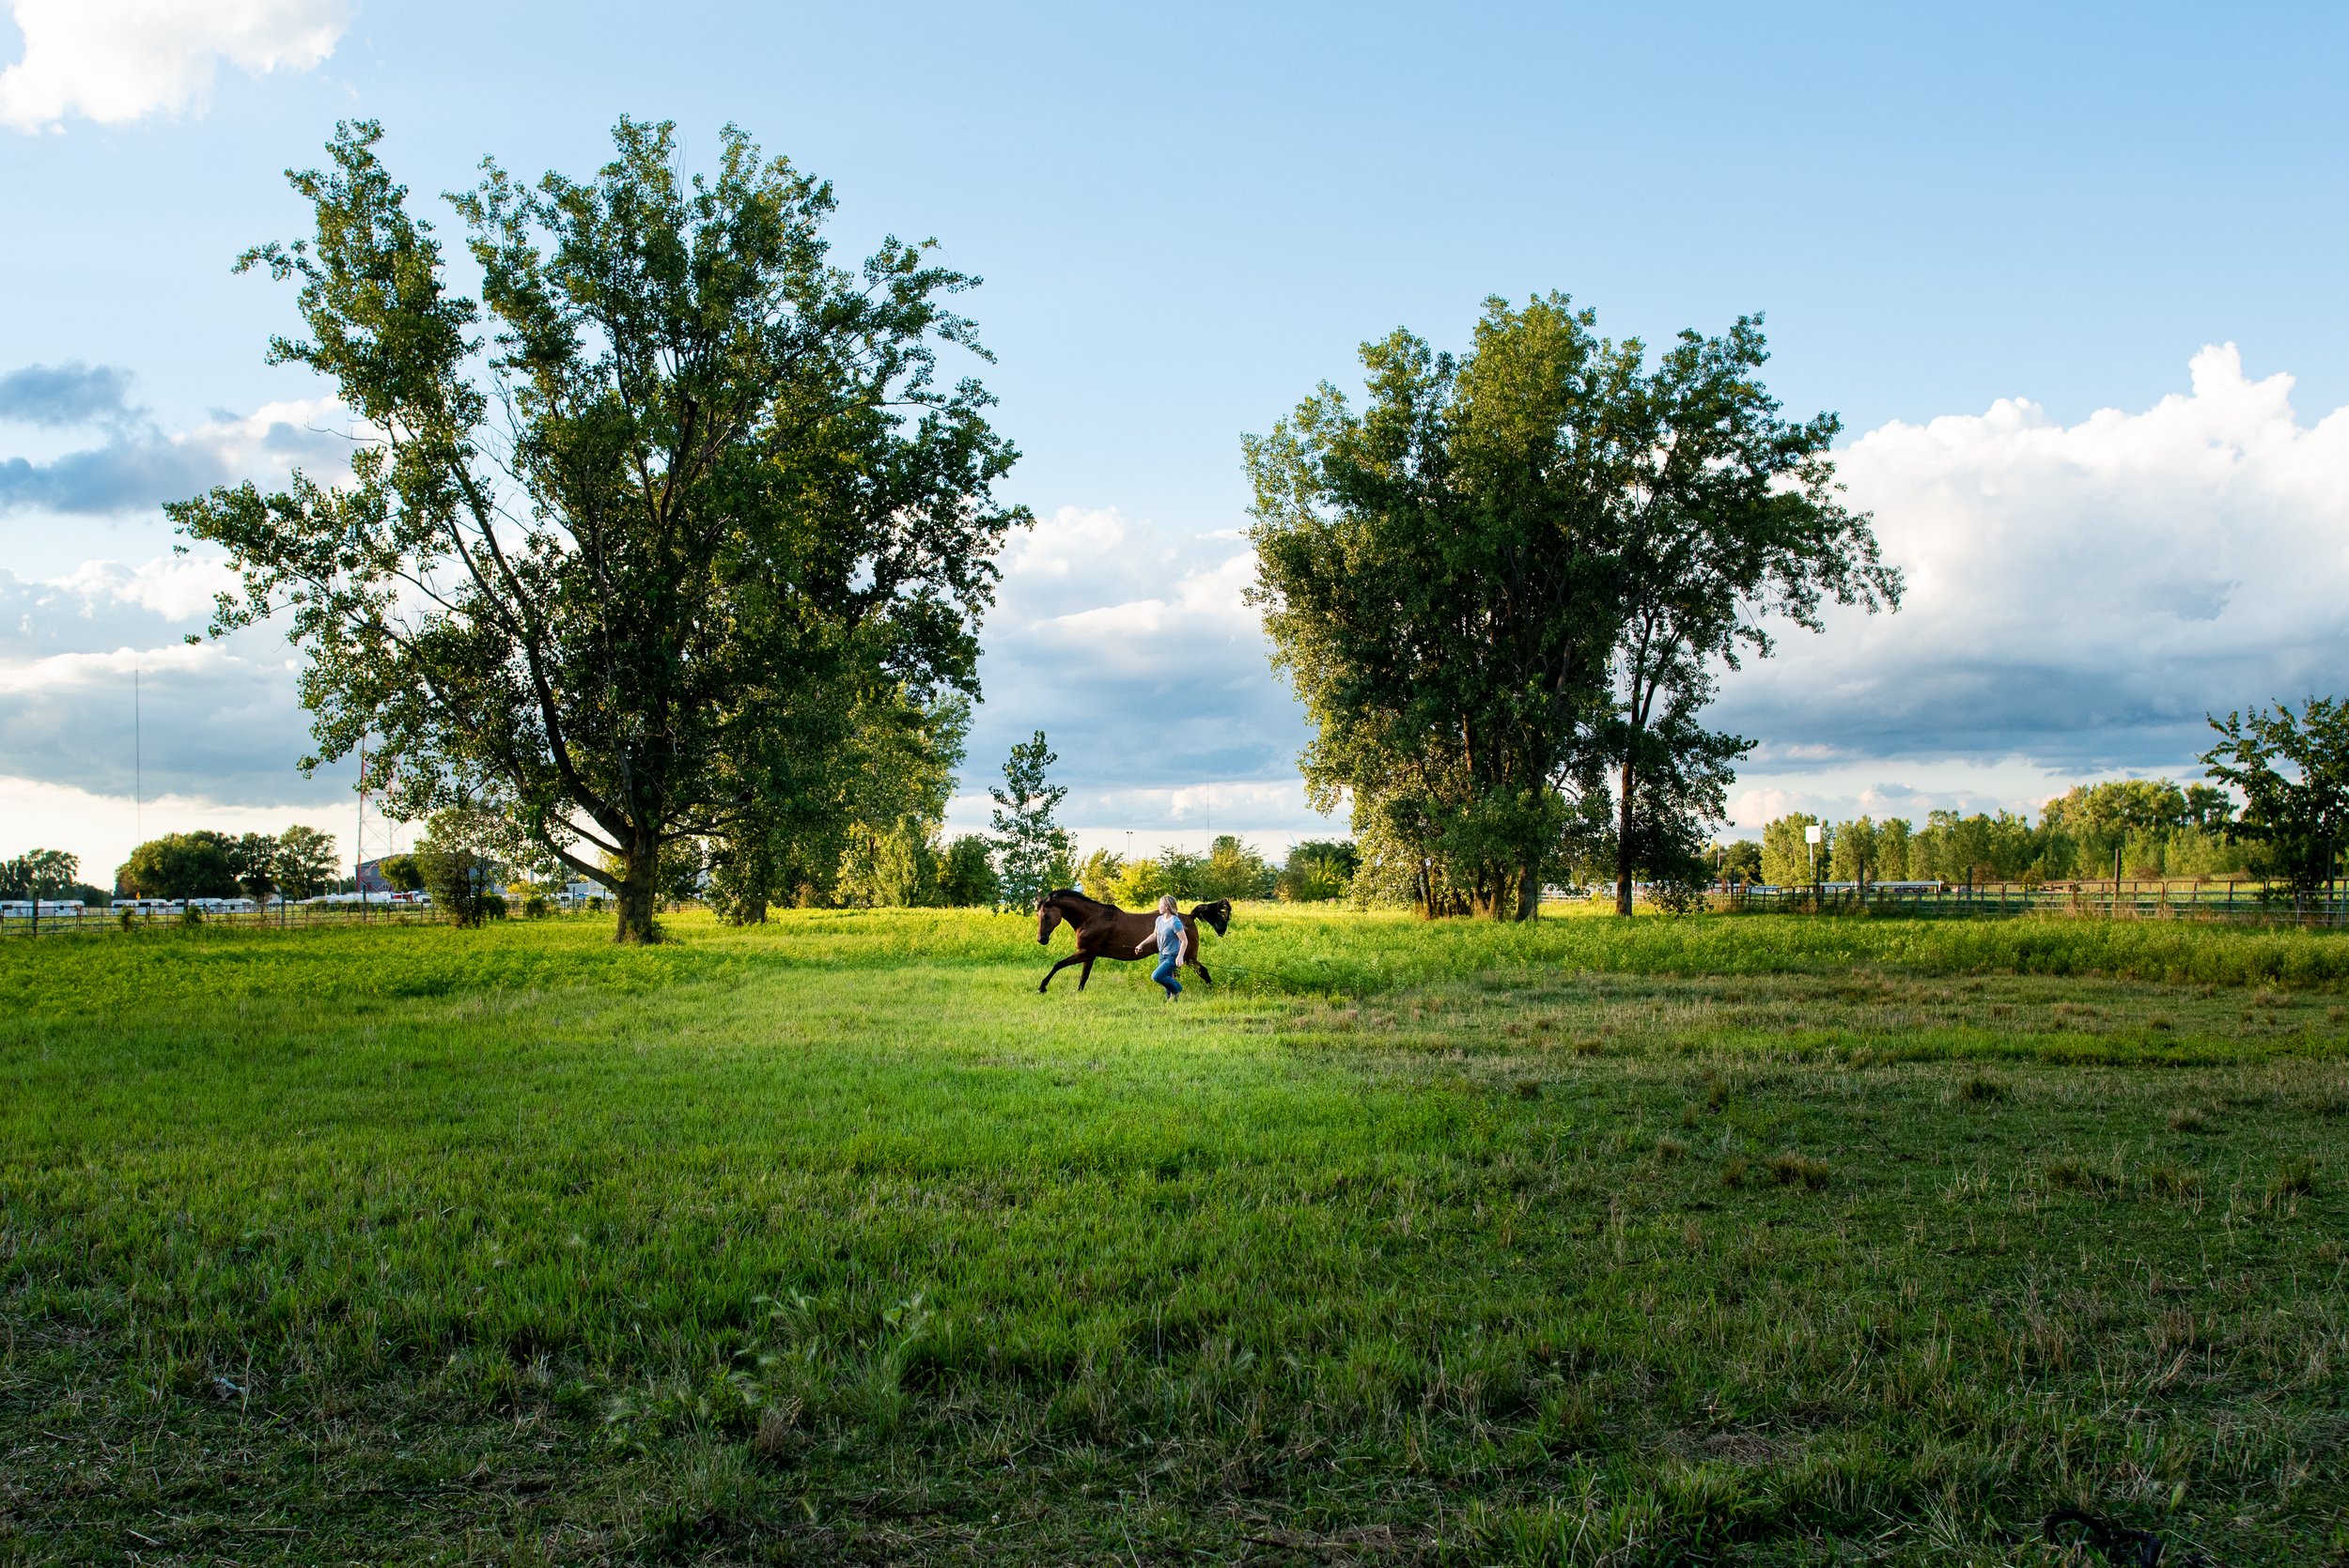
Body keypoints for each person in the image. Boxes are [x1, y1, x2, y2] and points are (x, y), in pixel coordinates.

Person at [1133, 893, 1190, 1000]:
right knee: (1166, 977)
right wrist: (1141, 944)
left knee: (1156, 976)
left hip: (1172, 956)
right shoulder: (1159, 920)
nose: (1158, 906)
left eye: (1160, 904)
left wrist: (1180, 956)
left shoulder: (1175, 922)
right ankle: (1171, 1001)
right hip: (1162, 955)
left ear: (1167, 906)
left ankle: (1178, 988)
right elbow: (1154, 935)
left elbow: (1184, 941)